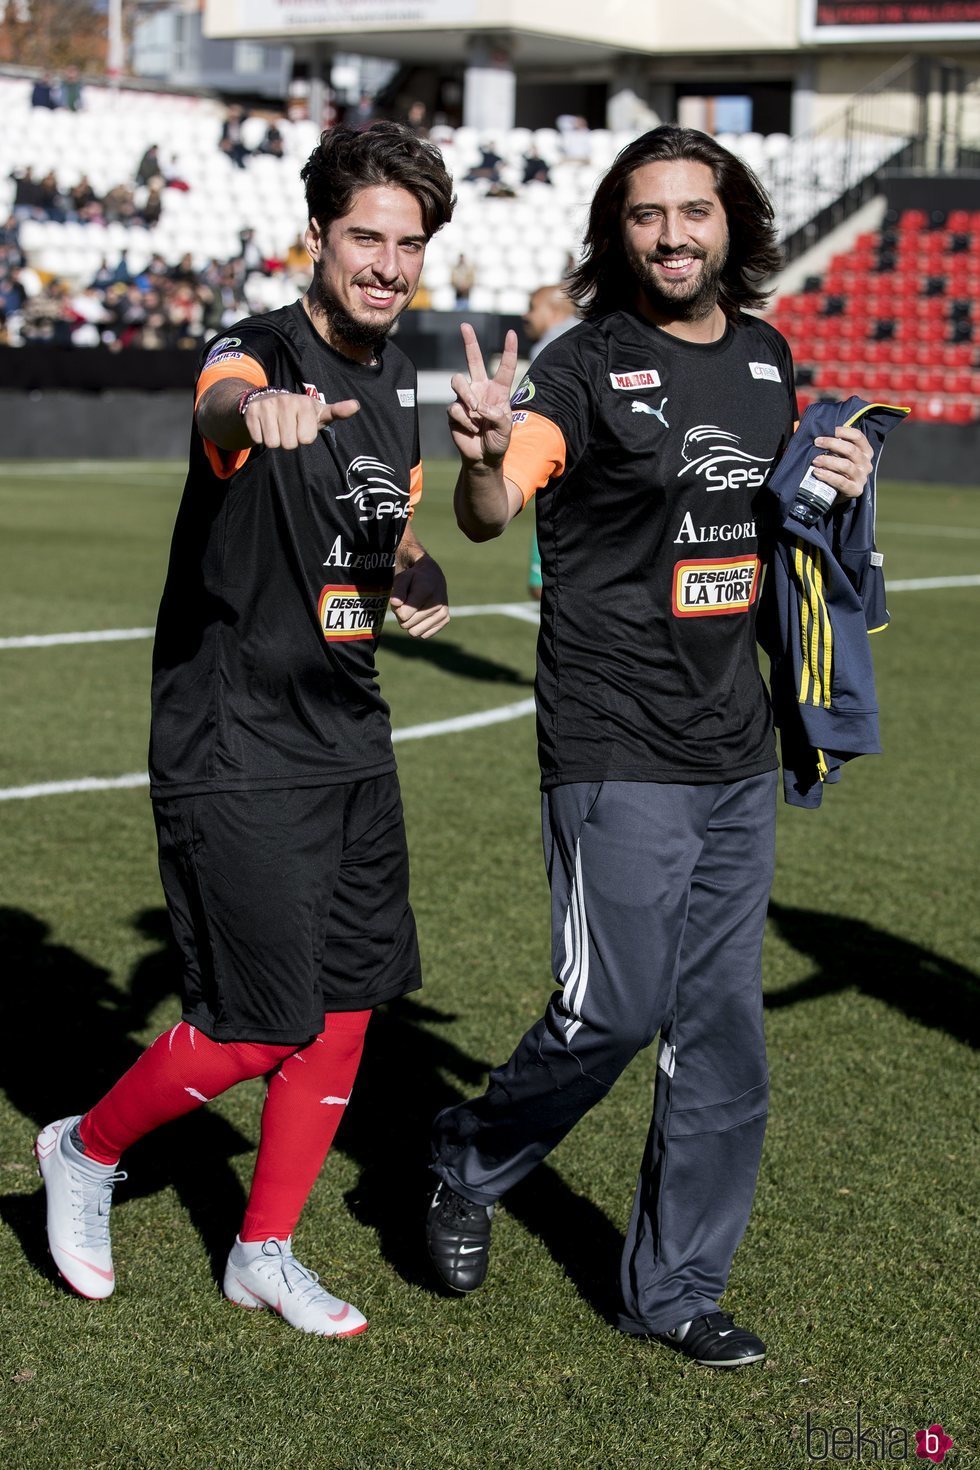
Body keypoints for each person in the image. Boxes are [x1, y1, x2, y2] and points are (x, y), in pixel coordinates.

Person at [426, 125, 873, 1367]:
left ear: (731, 219)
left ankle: (671, 1288)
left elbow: (772, 517)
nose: (671, 235)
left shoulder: (770, 358)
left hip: (734, 744)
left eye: (693, 211)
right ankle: (468, 1157)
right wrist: (475, 460)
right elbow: (496, 497)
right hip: (613, 738)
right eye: (644, 216)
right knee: (611, 1009)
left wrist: (828, 477)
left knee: (719, 1026)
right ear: (613, 232)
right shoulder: (582, 364)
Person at [36, 122, 456, 1340]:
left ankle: (262, 1249)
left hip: (349, 733)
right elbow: (225, 409)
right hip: (236, 736)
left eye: (407, 245)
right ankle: (86, 1147)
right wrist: (256, 415)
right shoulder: (258, 350)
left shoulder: (398, 379)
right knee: (260, 1020)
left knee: (349, 1002)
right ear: (315, 236)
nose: (385, 263)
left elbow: (391, 523)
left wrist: (415, 574)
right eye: (364, 237)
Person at [520, 284, 579, 600]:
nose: (525, 315)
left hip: (567, 482)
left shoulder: (556, 346)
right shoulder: (594, 337)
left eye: (532, 306)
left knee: (546, 586)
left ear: (555, 311)